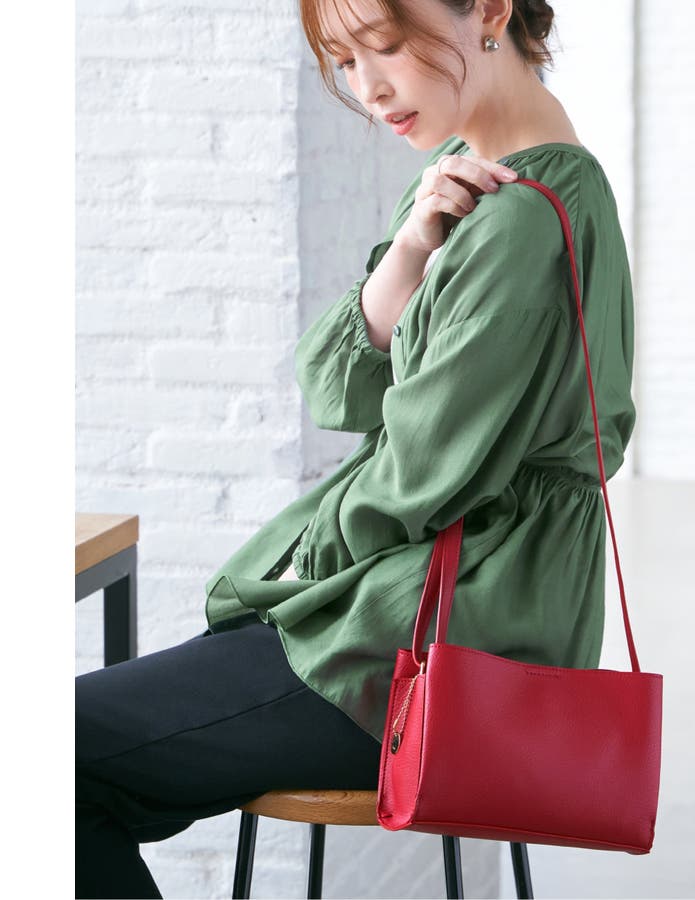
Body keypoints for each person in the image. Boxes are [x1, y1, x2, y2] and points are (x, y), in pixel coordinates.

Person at [75, 0, 637, 896]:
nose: (368, 88)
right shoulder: (474, 184)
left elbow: (418, 474)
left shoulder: (524, 219)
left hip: (430, 645)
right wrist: (409, 249)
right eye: (343, 62)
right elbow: (340, 386)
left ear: (491, 11)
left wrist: (300, 571)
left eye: (384, 46)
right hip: (445, 619)